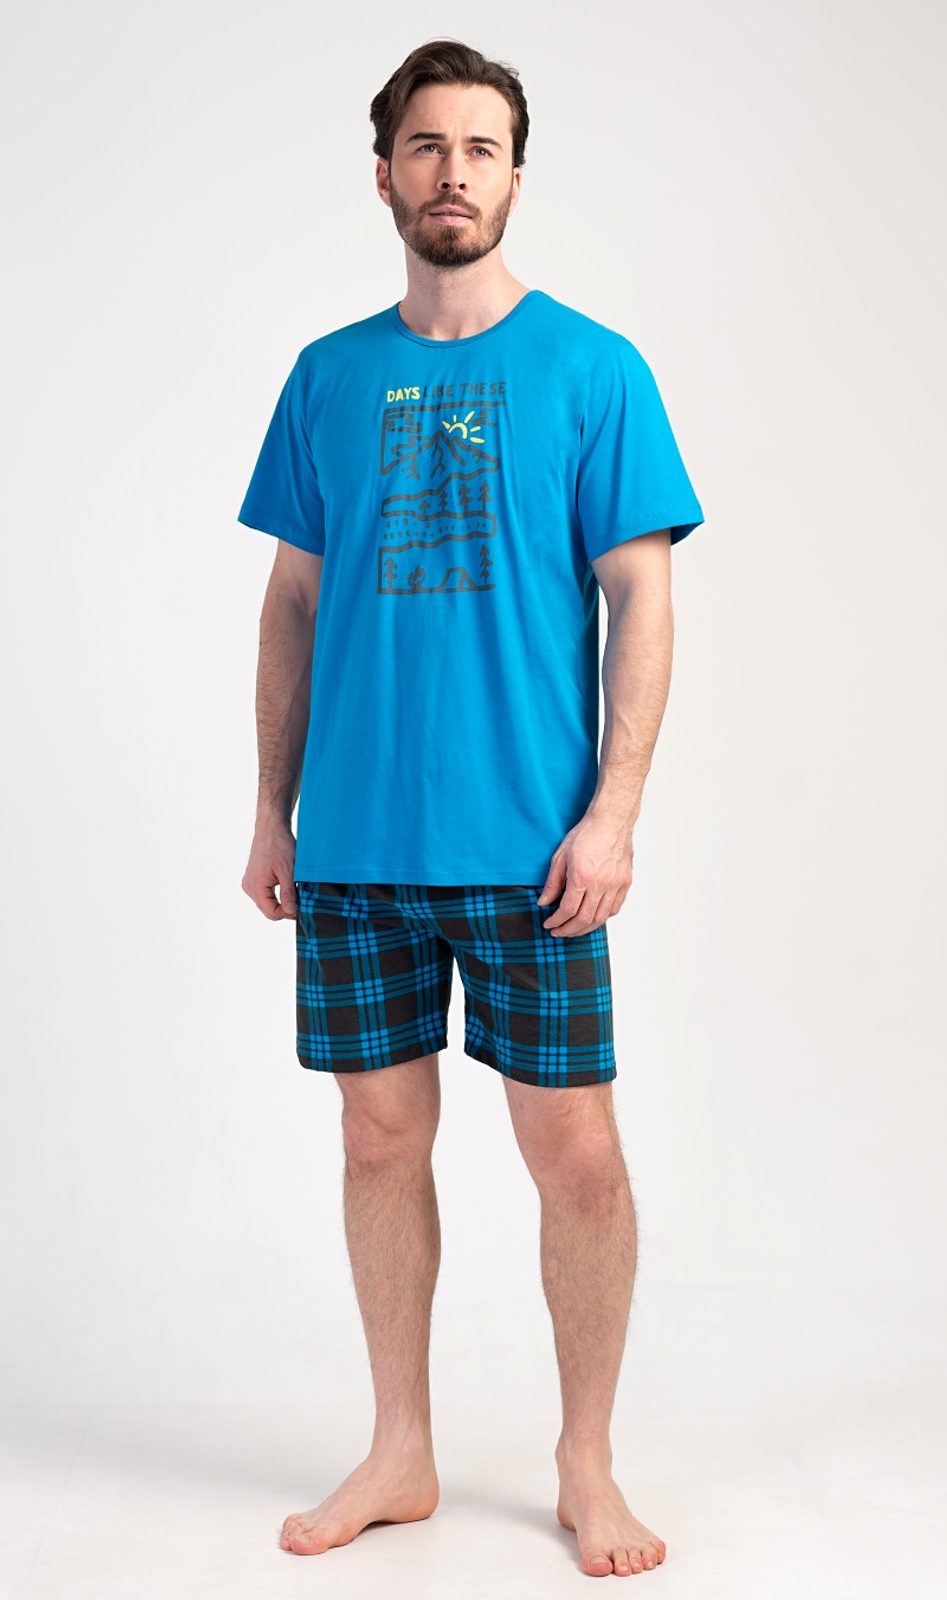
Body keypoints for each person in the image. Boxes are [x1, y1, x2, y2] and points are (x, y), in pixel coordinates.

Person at [237, 37, 704, 1580]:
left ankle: (586, 1460)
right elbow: (292, 604)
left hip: (534, 851)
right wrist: (272, 810)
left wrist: (614, 813)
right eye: (427, 146)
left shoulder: (593, 369)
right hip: (358, 843)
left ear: (516, 173)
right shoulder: (327, 376)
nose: (454, 172)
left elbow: (642, 596)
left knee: (578, 1157)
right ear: (385, 176)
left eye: (482, 147)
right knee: (379, 1141)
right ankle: (401, 1448)